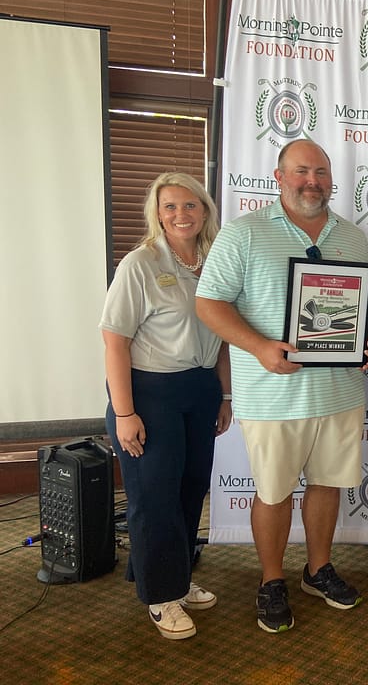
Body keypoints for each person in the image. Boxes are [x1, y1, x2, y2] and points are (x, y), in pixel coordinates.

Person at [195, 139, 368, 634]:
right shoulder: (243, 233)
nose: (312, 182)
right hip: (273, 393)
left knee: (326, 485)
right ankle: (271, 579)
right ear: (278, 176)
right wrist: (258, 347)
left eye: (321, 172)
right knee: (275, 492)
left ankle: (317, 569)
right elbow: (209, 304)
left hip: (339, 391)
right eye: (301, 171)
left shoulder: (353, 236)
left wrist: (366, 335)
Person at [100, 172, 232, 641]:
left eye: (190, 205)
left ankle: (173, 577)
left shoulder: (215, 262)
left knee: (189, 489)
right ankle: (161, 598)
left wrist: (224, 394)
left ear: (205, 211)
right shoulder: (140, 263)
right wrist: (124, 413)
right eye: (170, 206)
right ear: (157, 212)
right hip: (148, 392)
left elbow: (221, 338)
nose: (181, 214)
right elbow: (114, 340)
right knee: (153, 497)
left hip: (199, 390)